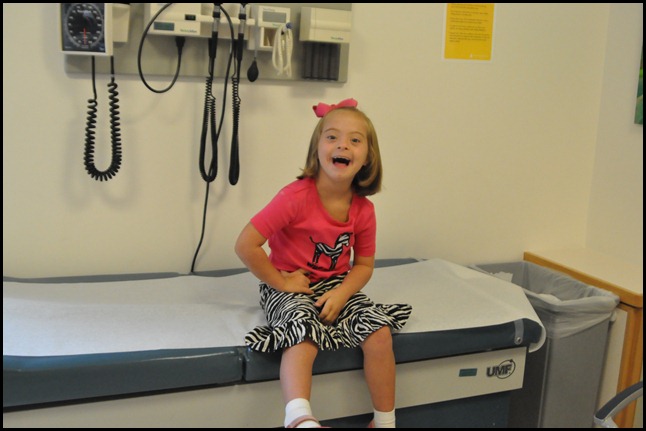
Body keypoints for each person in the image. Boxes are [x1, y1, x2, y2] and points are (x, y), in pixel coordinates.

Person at [235, 98, 412, 428]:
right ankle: (299, 418)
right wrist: (283, 282)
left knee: (379, 333)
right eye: (332, 137)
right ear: (317, 148)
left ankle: (385, 421)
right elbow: (246, 244)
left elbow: (363, 265)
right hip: (289, 282)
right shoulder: (294, 197)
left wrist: (342, 294)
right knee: (304, 332)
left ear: (368, 157)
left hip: (335, 285)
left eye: (355, 140)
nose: (342, 144)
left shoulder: (364, 210)